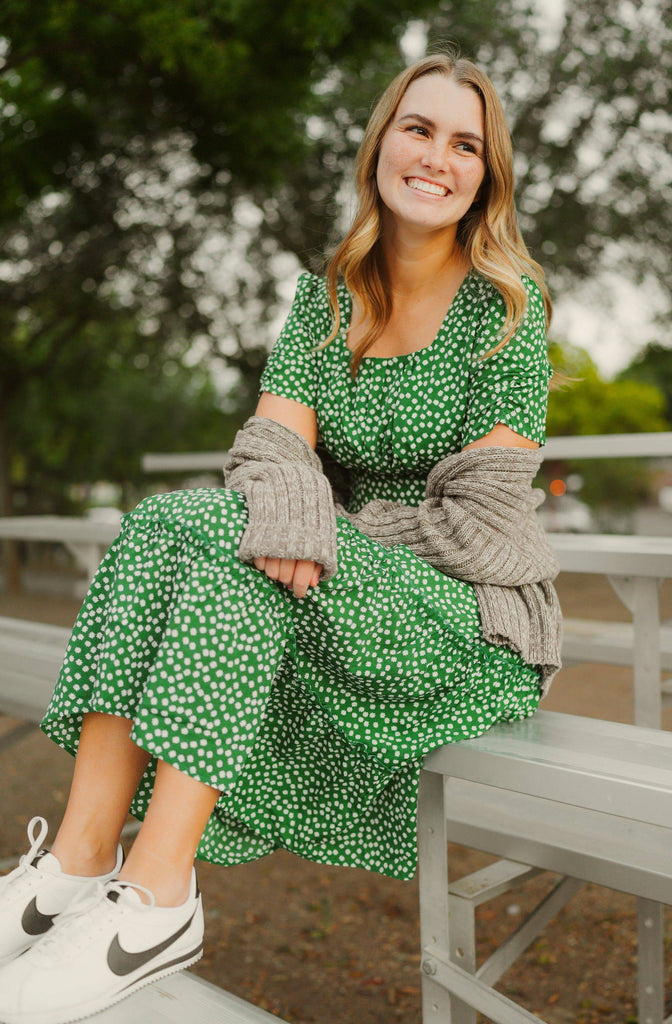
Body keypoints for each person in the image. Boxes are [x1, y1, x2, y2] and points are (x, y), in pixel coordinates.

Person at [0, 50, 562, 1024]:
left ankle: (157, 896)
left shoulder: (508, 312)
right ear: (380, 144)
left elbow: (486, 526)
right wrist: (299, 516)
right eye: (418, 129)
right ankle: (75, 866)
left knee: (239, 551)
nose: (438, 156)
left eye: (466, 144)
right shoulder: (324, 299)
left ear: (486, 177)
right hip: (331, 577)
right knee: (167, 520)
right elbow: (270, 448)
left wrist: (322, 528)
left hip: (466, 612)